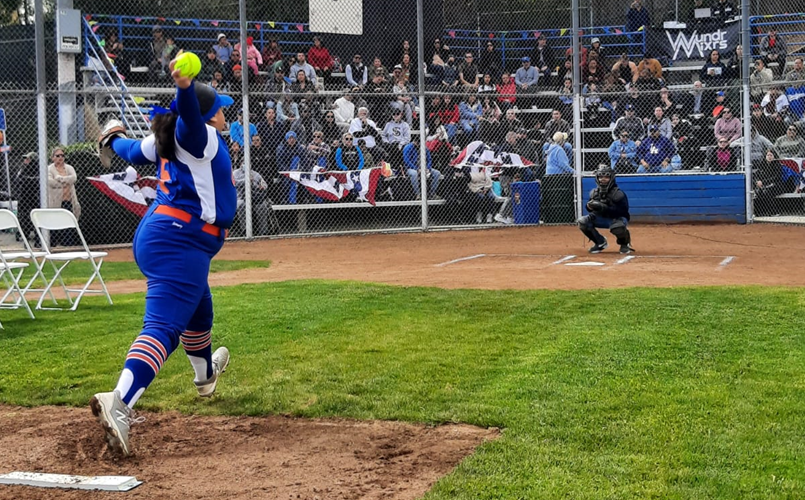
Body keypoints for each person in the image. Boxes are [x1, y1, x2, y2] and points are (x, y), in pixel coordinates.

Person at [91, 57, 237, 457]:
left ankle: (205, 376)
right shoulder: (200, 136)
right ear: (209, 116)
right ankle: (119, 402)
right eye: (220, 109)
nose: (225, 114)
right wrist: (186, 88)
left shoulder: (166, 137)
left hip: (166, 235)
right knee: (163, 327)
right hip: (180, 240)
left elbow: (129, 150)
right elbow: (191, 117)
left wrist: (111, 139)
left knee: (199, 310)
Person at [578, 164, 633, 254]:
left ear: (611, 178)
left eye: (606, 177)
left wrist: (605, 208)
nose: (603, 179)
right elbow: (589, 209)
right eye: (600, 177)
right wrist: (589, 206)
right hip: (600, 218)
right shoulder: (594, 193)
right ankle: (600, 242)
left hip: (616, 219)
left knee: (617, 227)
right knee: (582, 221)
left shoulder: (618, 193)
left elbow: (623, 212)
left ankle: (624, 244)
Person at [46, 146, 81, 247]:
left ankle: (68, 245)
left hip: (68, 201)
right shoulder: (49, 169)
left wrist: (59, 178)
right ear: (52, 157)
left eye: (62, 155)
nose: (60, 158)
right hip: (55, 202)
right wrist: (66, 181)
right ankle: (53, 245)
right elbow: (51, 182)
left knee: (68, 224)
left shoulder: (69, 168)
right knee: (55, 224)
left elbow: (74, 178)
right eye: (57, 156)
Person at [402, 135, 441, 200]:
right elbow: (406, 161)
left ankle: (432, 194)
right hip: (410, 168)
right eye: (418, 143)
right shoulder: (408, 147)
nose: (419, 145)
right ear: (414, 142)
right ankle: (418, 194)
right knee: (414, 174)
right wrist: (417, 169)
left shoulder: (424, 147)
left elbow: (429, 159)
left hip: (423, 167)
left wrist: (428, 168)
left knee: (437, 173)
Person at [15, 152, 40, 245]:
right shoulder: (22, 169)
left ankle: (38, 240)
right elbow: (18, 180)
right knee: (24, 219)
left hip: (34, 198)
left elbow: (36, 181)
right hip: (24, 198)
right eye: (25, 159)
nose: (25, 161)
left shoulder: (37, 169)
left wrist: (27, 180)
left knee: (35, 218)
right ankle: (25, 240)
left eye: (28, 159)